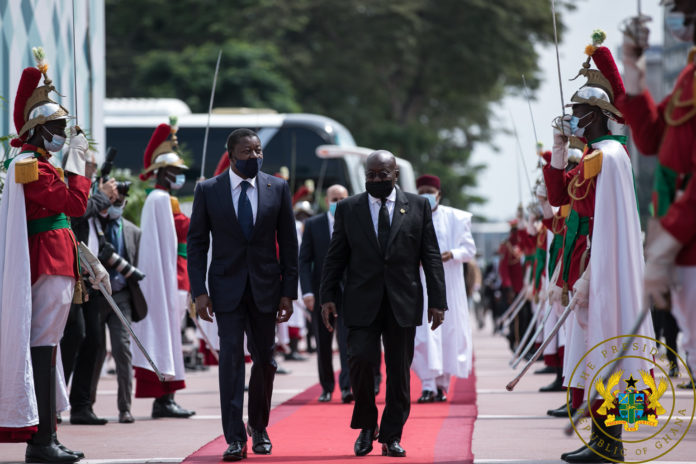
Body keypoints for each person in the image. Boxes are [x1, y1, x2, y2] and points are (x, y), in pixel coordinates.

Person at [543, 33, 654, 463]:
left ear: (596, 115)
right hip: (598, 265)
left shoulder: (604, 155)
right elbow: (562, 200)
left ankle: (610, 445)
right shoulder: (604, 153)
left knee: (607, 347)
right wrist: (558, 151)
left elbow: (576, 202)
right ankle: (606, 442)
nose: (573, 119)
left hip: (600, 266)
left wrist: (567, 158)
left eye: (578, 113)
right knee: (601, 350)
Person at [0, 51, 109, 462]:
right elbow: (74, 205)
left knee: (51, 347)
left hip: (58, 259)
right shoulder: (31, 167)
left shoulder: (42, 165)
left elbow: (65, 217)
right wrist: (79, 164)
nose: (66, 134)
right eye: (60, 128)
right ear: (40, 131)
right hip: (45, 261)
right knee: (43, 348)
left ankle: (48, 435)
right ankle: (41, 441)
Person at [320, 150, 447, 458]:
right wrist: (327, 297)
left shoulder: (417, 206)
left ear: (395, 175)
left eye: (382, 174)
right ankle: (366, 425)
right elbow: (335, 256)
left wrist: (438, 300)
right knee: (361, 361)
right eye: (371, 175)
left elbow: (430, 255)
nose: (376, 179)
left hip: (403, 301)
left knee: (399, 371)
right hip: (361, 301)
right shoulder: (348, 209)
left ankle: (391, 434)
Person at [188, 128, 298, 461]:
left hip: (266, 289)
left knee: (265, 361)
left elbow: (289, 244)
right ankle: (234, 437)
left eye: (258, 151)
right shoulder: (209, 190)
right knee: (231, 361)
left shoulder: (276, 187)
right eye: (247, 152)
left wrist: (288, 292)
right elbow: (196, 244)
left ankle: (259, 426)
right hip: (226, 290)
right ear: (232, 154)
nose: (254, 157)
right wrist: (200, 292)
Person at [617, 0, 696, 389]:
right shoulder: (688, 77)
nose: (682, 19)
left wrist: (667, 242)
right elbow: (651, 139)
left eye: (687, 10)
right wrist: (634, 70)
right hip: (682, 236)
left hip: (685, 231)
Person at [131, 120, 195, 419]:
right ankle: (164, 398)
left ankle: (168, 396)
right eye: (175, 172)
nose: (179, 176)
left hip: (178, 274)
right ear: (161, 172)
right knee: (167, 334)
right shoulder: (159, 200)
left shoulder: (168, 200)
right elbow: (162, 248)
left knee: (173, 335)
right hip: (168, 277)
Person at [411, 174, 476, 403]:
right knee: (423, 335)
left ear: (439, 193)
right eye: (421, 192)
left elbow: (469, 250)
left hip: (448, 283)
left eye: (430, 191)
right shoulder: (409, 215)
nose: (426, 196)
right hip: (420, 282)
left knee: (449, 334)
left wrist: (451, 254)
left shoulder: (456, 218)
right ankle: (427, 385)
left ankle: (442, 385)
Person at [88, 186, 148, 424]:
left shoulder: (133, 231)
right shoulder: (95, 225)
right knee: (96, 351)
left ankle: (125, 407)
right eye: (112, 200)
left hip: (122, 296)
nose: (115, 205)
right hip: (97, 295)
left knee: (122, 350)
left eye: (120, 202)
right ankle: (86, 406)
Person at [299, 184, 353, 403]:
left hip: (349, 293)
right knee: (323, 342)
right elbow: (304, 261)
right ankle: (327, 387)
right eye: (334, 199)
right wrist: (307, 292)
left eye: (342, 199)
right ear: (326, 201)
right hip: (321, 293)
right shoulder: (313, 225)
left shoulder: (356, 223)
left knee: (347, 341)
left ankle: (348, 387)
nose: (338, 203)